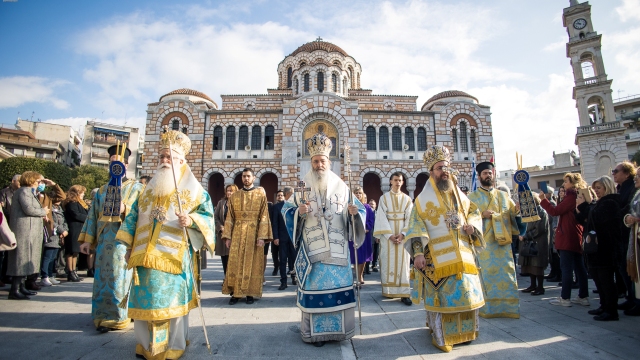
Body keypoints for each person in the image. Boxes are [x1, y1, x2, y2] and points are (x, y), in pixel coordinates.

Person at [117, 129, 215, 359]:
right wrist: (128, 245)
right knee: (145, 302)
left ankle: (171, 346)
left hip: (174, 257)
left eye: (169, 157)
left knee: (170, 303)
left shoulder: (195, 191)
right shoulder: (148, 189)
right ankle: (146, 345)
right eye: (161, 157)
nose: (164, 161)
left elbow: (208, 217)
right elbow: (133, 217)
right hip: (144, 256)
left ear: (181, 161)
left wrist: (191, 220)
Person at [282, 132, 366, 346]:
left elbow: (358, 212)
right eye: (315, 161)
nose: (319, 164)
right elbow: (286, 211)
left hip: (338, 254)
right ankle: (315, 335)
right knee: (316, 294)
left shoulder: (342, 186)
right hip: (313, 253)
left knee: (338, 293)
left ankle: (340, 332)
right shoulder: (302, 187)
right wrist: (298, 212)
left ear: (329, 162)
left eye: (322, 161)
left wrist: (354, 213)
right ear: (311, 162)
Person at [404, 145, 484, 352]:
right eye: (439, 168)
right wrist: (418, 253)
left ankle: (466, 333)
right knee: (444, 300)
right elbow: (415, 226)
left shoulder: (459, 195)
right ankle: (442, 336)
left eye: (446, 167)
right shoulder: (422, 200)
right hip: (437, 258)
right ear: (432, 172)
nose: (444, 171)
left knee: (466, 295)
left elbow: (474, 211)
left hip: (463, 255)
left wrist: (472, 226)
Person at [78, 144, 145, 333]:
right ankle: (102, 314)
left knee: (120, 278)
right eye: (112, 160)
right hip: (103, 241)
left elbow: (143, 215)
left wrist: (127, 210)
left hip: (124, 242)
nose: (115, 162)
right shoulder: (100, 190)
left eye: (119, 160)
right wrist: (86, 240)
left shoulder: (137, 188)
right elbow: (92, 215)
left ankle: (120, 315)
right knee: (101, 279)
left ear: (126, 163)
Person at [467, 162, 520, 318]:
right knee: (487, 276)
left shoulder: (503, 195)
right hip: (484, 244)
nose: (488, 175)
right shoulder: (472, 197)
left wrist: (517, 209)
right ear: (479, 176)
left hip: (502, 243)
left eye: (490, 173)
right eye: (484, 173)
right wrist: (481, 215)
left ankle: (508, 308)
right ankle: (487, 309)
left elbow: (513, 216)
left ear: (493, 174)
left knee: (506, 273)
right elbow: (466, 218)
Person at [222, 168, 272, 305]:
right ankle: (236, 293)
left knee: (252, 262)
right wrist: (227, 236)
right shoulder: (235, 196)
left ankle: (250, 293)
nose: (246, 178)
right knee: (236, 263)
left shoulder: (260, 195)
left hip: (254, 234)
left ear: (253, 178)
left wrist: (262, 236)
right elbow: (229, 217)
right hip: (237, 233)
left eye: (248, 176)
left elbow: (264, 216)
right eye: (244, 176)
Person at [540, 172, 589, 307]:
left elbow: (555, 211)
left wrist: (544, 200)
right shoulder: (578, 195)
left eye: (566, 182)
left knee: (567, 268)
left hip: (568, 234)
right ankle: (583, 296)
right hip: (575, 234)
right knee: (579, 267)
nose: (564, 184)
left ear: (573, 183)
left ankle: (565, 298)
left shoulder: (571, 196)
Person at [576, 176, 621, 321]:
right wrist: (579, 208)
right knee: (598, 278)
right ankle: (604, 305)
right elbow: (585, 219)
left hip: (605, 248)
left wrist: (585, 205)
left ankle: (611, 310)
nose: (596, 191)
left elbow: (597, 218)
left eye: (599, 188)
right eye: (594, 188)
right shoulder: (598, 203)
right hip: (595, 249)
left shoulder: (611, 202)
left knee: (606, 280)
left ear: (606, 187)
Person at [6, 171, 50, 300]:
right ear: (31, 180)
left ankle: (21, 287)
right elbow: (28, 209)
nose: (40, 184)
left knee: (27, 258)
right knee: (21, 259)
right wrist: (43, 211)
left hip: (30, 230)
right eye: (38, 181)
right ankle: (14, 289)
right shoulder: (24, 191)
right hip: (24, 230)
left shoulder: (29, 192)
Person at [373, 172, 413, 305]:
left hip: (402, 237)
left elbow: (410, 218)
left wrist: (403, 234)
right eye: (395, 180)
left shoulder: (407, 199)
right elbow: (381, 218)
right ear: (390, 181)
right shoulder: (384, 198)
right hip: (388, 236)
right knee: (388, 261)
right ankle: (389, 290)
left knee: (403, 264)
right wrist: (390, 235)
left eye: (400, 180)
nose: (398, 182)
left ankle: (404, 293)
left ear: (402, 182)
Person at [612, 161, 640, 315]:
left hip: (631, 233)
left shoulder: (632, 189)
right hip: (624, 233)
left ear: (627, 173)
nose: (614, 174)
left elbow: (629, 208)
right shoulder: (622, 188)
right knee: (625, 267)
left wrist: (620, 216)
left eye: (616, 171)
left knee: (633, 267)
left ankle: (636, 300)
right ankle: (631, 297)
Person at [518, 193, 550, 296]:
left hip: (538, 243)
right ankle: (532, 285)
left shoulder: (541, 212)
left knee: (537, 266)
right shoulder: (530, 212)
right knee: (530, 265)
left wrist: (526, 236)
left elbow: (539, 229)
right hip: (530, 243)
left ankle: (540, 287)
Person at [40, 191, 68, 286]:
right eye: (58, 199)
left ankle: (50, 275)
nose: (60, 201)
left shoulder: (59, 209)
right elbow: (52, 222)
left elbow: (64, 221)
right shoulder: (50, 208)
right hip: (52, 234)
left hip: (59, 237)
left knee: (53, 257)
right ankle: (44, 276)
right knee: (48, 257)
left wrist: (65, 230)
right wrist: (61, 230)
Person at [271, 187, 297, 290]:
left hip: (293, 237)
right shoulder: (277, 207)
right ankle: (283, 281)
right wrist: (276, 237)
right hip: (282, 237)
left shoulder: (295, 205)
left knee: (294, 259)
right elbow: (275, 223)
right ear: (287, 194)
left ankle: (294, 277)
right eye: (291, 193)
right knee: (282, 260)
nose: (293, 195)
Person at [63, 185, 88, 282]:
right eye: (82, 192)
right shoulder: (71, 203)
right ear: (77, 193)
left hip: (79, 229)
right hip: (73, 228)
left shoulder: (80, 203)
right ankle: (70, 271)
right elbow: (76, 215)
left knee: (76, 252)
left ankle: (74, 271)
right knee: (71, 251)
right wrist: (88, 218)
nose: (83, 194)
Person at [623, 168, 640, 316]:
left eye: (638, 176)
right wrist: (628, 218)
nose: (636, 178)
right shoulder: (637, 193)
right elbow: (632, 212)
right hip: (635, 237)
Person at [350, 186, 374, 285]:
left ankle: (360, 275)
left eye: (360, 193)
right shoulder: (350, 207)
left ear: (363, 194)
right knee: (356, 256)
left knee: (363, 257)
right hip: (354, 235)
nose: (358, 195)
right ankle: (357, 275)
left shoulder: (367, 207)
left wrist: (367, 228)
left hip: (365, 235)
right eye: (356, 193)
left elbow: (371, 220)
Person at [0, 174, 20, 287]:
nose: (20, 183)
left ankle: (8, 275)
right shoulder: (4, 192)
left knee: (11, 250)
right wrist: (13, 216)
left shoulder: (20, 193)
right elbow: (2, 208)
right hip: (6, 222)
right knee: (2, 252)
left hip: (15, 224)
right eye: (19, 181)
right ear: (13, 181)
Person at [214, 184, 237, 276]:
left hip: (235, 233)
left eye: (231, 191)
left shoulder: (239, 203)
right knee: (225, 257)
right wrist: (221, 227)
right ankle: (226, 278)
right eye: (227, 190)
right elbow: (215, 217)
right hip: (223, 234)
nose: (229, 192)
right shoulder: (221, 203)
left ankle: (234, 278)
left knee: (234, 257)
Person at [368, 198, 380, 273]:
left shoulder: (378, 214)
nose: (371, 205)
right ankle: (367, 265)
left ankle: (374, 265)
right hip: (369, 235)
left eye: (372, 204)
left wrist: (378, 235)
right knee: (370, 251)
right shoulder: (367, 213)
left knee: (376, 250)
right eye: (370, 204)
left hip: (377, 235)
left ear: (375, 206)